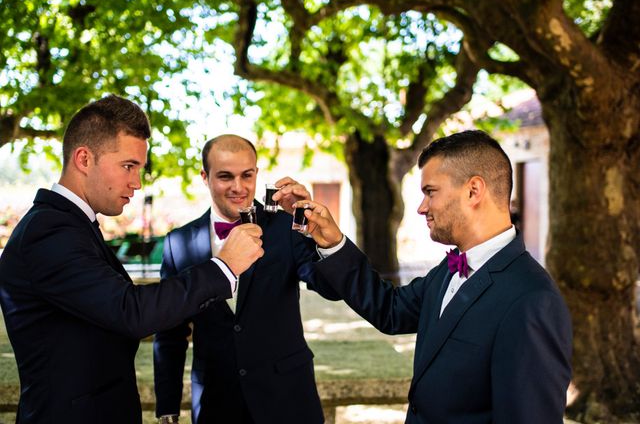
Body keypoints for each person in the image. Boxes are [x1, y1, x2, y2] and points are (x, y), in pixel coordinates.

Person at [0, 95, 263, 424]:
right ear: (84, 158)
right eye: (129, 166)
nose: (137, 183)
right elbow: (131, 310)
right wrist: (222, 268)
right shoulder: (49, 231)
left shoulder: (72, 225)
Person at [301, 130, 573, 423]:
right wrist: (333, 244)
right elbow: (389, 309)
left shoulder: (532, 301)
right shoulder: (448, 269)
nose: (421, 207)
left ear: (473, 191)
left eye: (430, 192)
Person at [153, 134, 339, 424]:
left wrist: (317, 233)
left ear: (256, 174)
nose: (238, 187)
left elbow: (330, 288)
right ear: (205, 177)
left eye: (246, 175)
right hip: (216, 403)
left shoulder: (289, 226)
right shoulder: (178, 244)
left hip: (288, 400)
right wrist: (167, 407)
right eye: (225, 176)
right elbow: (170, 333)